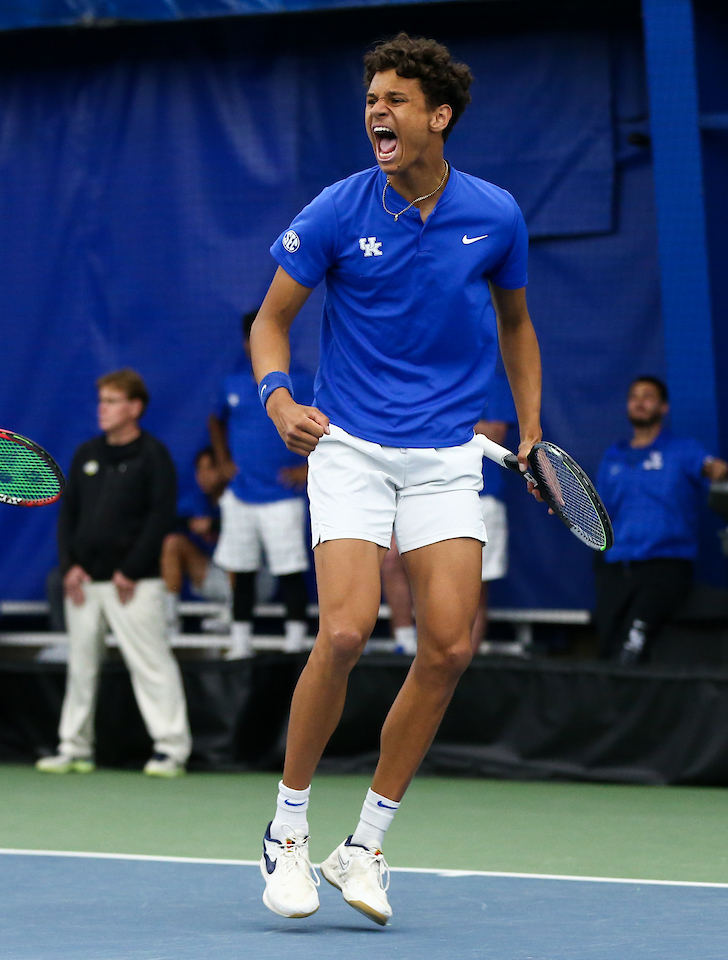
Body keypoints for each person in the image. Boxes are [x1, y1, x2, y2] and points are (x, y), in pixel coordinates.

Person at [251, 34, 543, 925]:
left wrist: (531, 432)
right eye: (371, 97)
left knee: (449, 647)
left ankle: (365, 843)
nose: (377, 111)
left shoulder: (495, 215)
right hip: (348, 447)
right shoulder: (340, 210)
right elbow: (270, 323)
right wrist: (276, 399)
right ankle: (288, 831)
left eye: (395, 99)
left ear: (438, 116)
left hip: (448, 456)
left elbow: (518, 328)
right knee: (342, 634)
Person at [38, 369, 192, 777]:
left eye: (111, 401)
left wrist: (132, 569)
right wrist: (70, 568)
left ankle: (170, 750)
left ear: (135, 407)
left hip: (135, 585)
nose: (101, 409)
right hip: (85, 584)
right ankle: (74, 748)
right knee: (81, 666)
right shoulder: (86, 453)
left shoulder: (153, 456)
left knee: (152, 664)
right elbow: (68, 517)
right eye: (101, 400)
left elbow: (161, 519)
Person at [594, 376, 728, 663]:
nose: (639, 401)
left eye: (648, 396)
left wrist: (716, 470)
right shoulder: (613, 456)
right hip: (616, 565)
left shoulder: (683, 449)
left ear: (664, 407)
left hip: (665, 565)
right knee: (607, 646)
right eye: (633, 396)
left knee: (632, 647)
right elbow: (597, 511)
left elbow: (712, 469)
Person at [209, 311, 314, 658]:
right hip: (241, 496)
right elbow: (215, 420)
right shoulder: (233, 383)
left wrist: (308, 469)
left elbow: (332, 427)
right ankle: (240, 644)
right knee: (241, 569)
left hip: (282, 495)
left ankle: (295, 643)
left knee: (290, 569)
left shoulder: (304, 381)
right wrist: (222, 460)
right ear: (245, 343)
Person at [161, 448, 231, 636]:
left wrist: (215, 525)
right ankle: (169, 619)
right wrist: (191, 523)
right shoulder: (196, 500)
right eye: (200, 470)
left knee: (237, 545)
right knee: (172, 542)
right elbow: (164, 522)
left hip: (254, 581)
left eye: (210, 469)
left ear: (224, 468)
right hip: (213, 575)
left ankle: (234, 615)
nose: (203, 476)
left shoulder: (242, 494)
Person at [471, 370, 516, 650]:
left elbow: (496, 433)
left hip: (482, 498)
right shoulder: (428, 378)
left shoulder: (494, 383)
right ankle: (407, 643)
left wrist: (438, 420)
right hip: (429, 495)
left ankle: (466, 666)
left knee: (473, 589)